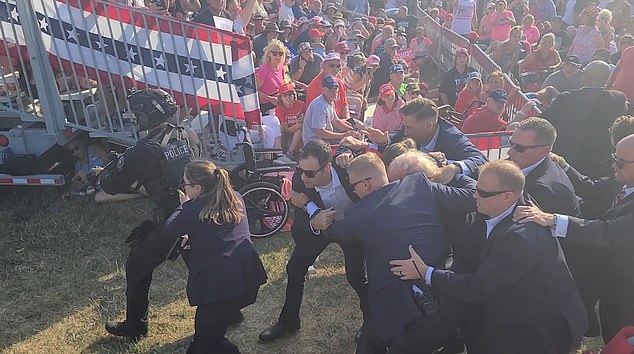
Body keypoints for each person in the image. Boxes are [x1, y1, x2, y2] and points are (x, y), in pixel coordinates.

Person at [389, 160, 588, 354]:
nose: (474, 195)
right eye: (476, 188)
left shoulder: (517, 237)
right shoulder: (509, 204)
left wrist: (425, 272)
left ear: (507, 196)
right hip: (513, 312)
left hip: (537, 331)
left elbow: (479, 287)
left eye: (483, 193)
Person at [310, 153, 476, 353]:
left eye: (353, 186)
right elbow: (472, 196)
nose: (353, 191)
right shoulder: (419, 184)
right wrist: (454, 170)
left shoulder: (360, 215)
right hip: (452, 292)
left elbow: (329, 229)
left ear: (365, 184)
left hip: (408, 313)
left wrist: (313, 219)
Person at [100, 89, 202, 340]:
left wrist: (109, 169)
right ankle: (228, 311)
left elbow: (111, 185)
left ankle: (136, 325)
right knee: (202, 266)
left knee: (137, 265)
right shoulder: (188, 133)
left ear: (144, 117)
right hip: (200, 211)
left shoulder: (146, 147)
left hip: (173, 217)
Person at [513, 133, 634, 344]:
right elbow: (593, 188)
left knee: (620, 339)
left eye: (620, 162)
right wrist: (566, 166)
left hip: (626, 295)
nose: (613, 166)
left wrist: (552, 220)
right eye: (613, 158)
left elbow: (609, 232)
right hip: (611, 287)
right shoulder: (622, 181)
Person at [258, 140, 369, 342]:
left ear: (327, 167)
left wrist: (346, 151)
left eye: (310, 172)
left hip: (352, 228)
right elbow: (299, 229)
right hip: (323, 230)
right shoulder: (301, 181)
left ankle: (371, 322)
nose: (303, 177)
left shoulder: (346, 171)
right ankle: (289, 321)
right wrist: (313, 219)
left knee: (357, 276)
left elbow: (363, 155)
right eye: (299, 170)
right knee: (295, 268)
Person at [162, 160, 267, 353]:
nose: (183, 187)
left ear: (198, 188)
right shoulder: (235, 197)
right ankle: (230, 315)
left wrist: (184, 205)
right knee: (216, 321)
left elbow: (169, 229)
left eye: (185, 184)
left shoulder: (194, 209)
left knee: (204, 345)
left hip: (219, 289)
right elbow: (216, 232)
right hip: (248, 279)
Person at [345, 98, 488, 183]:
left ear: (428, 125)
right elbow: (399, 137)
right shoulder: (410, 130)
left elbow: (481, 159)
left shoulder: (452, 138)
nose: (405, 132)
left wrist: (454, 168)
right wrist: (384, 140)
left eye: (409, 127)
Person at [540, 60, 629, 178]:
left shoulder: (566, 98)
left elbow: (542, 124)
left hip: (568, 162)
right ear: (606, 80)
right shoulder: (618, 99)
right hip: (602, 161)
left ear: (586, 77)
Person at [302, 75, 357, 143]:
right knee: (348, 144)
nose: (334, 92)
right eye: (330, 89)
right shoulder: (319, 105)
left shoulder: (330, 101)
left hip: (324, 139)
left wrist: (354, 130)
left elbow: (336, 122)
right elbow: (320, 132)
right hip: (314, 142)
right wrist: (342, 135)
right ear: (323, 89)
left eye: (335, 88)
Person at [305, 52, 350, 121]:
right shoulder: (315, 84)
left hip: (339, 121)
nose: (335, 69)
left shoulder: (339, 82)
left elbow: (344, 105)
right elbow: (319, 114)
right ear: (323, 66)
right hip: (323, 122)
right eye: (332, 66)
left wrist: (347, 120)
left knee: (361, 127)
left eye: (338, 66)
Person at [256, 40, 290, 114]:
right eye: (275, 53)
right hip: (263, 106)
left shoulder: (282, 67)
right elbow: (254, 91)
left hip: (277, 102)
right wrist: (270, 99)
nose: (278, 56)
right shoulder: (264, 69)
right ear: (269, 54)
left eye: (281, 53)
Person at [275, 83, 305, 157]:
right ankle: (281, 151)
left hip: (299, 136)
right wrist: (298, 125)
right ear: (280, 98)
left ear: (294, 95)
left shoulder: (301, 105)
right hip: (286, 135)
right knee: (280, 127)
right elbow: (286, 130)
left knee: (300, 130)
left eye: (290, 94)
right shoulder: (279, 108)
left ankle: (290, 153)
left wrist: (301, 123)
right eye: (285, 95)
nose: (288, 97)